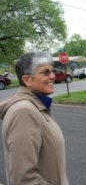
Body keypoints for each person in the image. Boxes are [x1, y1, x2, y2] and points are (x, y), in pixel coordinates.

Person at [0, 52, 69, 185]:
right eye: (46, 72)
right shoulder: (24, 112)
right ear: (27, 80)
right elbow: (23, 179)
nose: (53, 76)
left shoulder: (36, 105)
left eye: (52, 71)